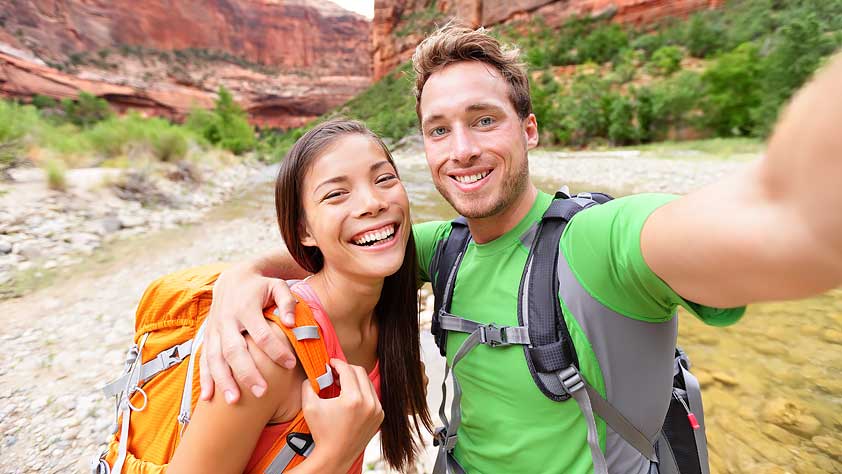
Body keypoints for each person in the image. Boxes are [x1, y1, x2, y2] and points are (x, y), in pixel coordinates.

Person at [199, 24, 842, 473]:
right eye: (438, 131)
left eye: (485, 120)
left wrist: (804, 213)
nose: (462, 150)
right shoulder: (440, 247)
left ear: (528, 129)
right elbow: (339, 252)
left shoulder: (598, 243)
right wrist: (239, 281)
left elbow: (777, 225)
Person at [167, 119, 431, 473]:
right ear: (304, 231)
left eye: (384, 179)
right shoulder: (269, 352)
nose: (373, 203)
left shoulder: (385, 316)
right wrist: (334, 454)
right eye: (336, 194)